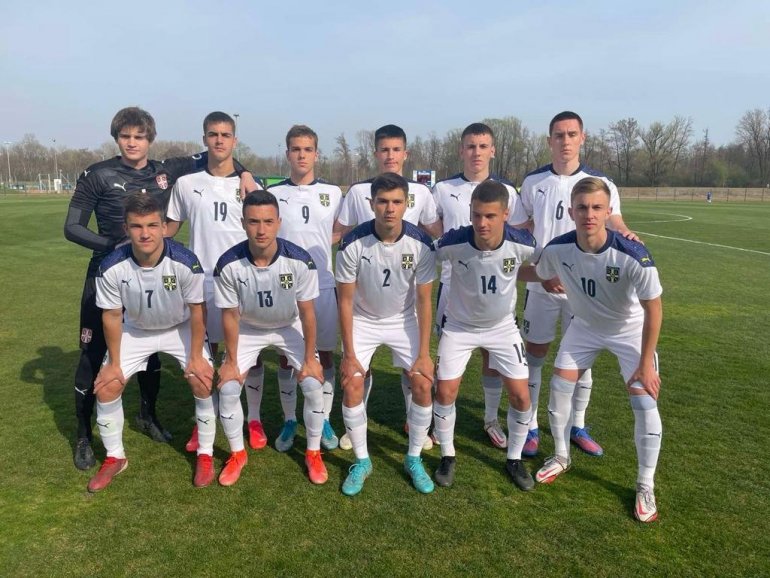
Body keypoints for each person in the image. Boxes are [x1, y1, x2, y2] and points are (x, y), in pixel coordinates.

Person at [64, 106, 256, 470]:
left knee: (149, 346)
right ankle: (84, 434)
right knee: (92, 355)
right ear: (116, 138)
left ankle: (147, 415)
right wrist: (115, 245)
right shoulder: (98, 173)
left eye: (139, 137)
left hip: (152, 273)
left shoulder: (166, 171)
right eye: (125, 136)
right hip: (108, 273)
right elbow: (71, 227)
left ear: (149, 139)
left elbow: (219, 150)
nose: (132, 143)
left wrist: (245, 172)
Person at [526, 177, 663, 523]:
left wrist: (646, 363)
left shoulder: (633, 254)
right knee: (559, 386)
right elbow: (539, 272)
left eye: (597, 207)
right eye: (583, 207)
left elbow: (654, 310)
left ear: (608, 211)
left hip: (628, 331)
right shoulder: (557, 249)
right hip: (584, 327)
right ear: (571, 211)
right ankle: (561, 456)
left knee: (644, 400)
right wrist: (492, 263)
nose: (589, 214)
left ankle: (645, 484)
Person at [512, 111, 638, 458]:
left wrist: (627, 233)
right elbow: (523, 227)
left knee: (583, 359)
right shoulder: (533, 181)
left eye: (571, 134)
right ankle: (530, 426)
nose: (565, 141)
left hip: (584, 288)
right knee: (534, 355)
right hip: (542, 283)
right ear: (549, 140)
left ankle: (577, 425)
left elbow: (614, 220)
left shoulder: (601, 181)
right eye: (559, 135)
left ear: (583, 138)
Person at [87, 194, 214, 492]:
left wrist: (196, 356)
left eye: (152, 225)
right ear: (126, 228)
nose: (145, 233)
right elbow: (112, 315)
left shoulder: (185, 262)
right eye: (137, 226)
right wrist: (114, 364)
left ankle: (205, 453)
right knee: (107, 386)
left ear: (164, 227)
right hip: (136, 330)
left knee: (202, 379)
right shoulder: (111, 266)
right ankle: (115, 457)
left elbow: (198, 311)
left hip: (179, 327)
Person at [333, 124, 441, 451]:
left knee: (421, 377)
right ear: (372, 203)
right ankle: (356, 431)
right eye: (383, 202)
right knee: (353, 376)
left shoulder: (421, 230)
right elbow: (344, 296)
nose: (390, 208)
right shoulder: (356, 210)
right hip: (364, 315)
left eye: (396, 202)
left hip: (402, 314)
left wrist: (425, 353)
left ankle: (417, 434)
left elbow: (425, 298)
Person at [214, 190, 327, 486]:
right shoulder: (228, 264)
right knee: (228, 388)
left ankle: (313, 452)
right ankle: (237, 454)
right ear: (243, 223)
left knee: (313, 384)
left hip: (288, 326)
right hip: (249, 328)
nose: (261, 230)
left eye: (267, 221)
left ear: (279, 222)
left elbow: (308, 313)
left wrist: (310, 358)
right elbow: (230, 316)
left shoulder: (299, 260)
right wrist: (230, 361)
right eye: (253, 222)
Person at [165, 111, 261, 453]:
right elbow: (169, 229)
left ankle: (254, 419)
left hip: (242, 281)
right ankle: (205, 420)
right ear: (204, 139)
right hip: (201, 281)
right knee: (208, 354)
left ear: (235, 140)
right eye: (213, 134)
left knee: (247, 354)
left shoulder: (250, 186)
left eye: (225, 134)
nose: (219, 140)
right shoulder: (186, 184)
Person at [433, 180, 536, 491]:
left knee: (521, 396)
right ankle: (447, 455)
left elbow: (540, 264)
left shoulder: (523, 243)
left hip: (502, 328)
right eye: (476, 215)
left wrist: (548, 277)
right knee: (445, 392)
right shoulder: (453, 242)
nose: (482, 223)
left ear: (505, 214)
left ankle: (514, 459)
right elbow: (422, 255)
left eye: (490, 216)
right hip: (459, 327)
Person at [432, 122, 519, 450]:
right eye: (470, 146)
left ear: (492, 150)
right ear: (461, 150)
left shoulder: (508, 190)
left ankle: (491, 419)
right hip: (452, 285)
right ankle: (437, 418)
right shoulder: (443, 189)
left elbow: (516, 232)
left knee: (492, 355)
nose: (476, 152)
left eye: (483, 146)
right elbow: (432, 228)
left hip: (496, 288)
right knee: (446, 358)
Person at [266, 125, 343, 452]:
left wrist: (320, 247)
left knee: (324, 355)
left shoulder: (333, 193)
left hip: (323, 285)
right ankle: (289, 419)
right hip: (285, 286)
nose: (301, 155)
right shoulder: (274, 194)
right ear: (287, 154)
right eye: (295, 149)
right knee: (287, 357)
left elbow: (340, 230)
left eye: (307, 149)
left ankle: (323, 418)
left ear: (316, 154)